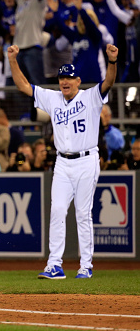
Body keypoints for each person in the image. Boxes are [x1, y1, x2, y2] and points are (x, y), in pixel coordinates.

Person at [8, 43, 119, 280]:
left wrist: (112, 61)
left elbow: (109, 81)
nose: (65, 82)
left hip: (87, 160)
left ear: (78, 80)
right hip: (62, 162)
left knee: (82, 213)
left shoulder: (91, 96)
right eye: (61, 78)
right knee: (57, 210)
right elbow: (23, 85)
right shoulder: (53, 98)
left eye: (69, 77)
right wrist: (12, 60)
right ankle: (54, 265)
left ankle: (86, 266)